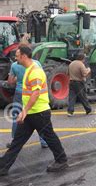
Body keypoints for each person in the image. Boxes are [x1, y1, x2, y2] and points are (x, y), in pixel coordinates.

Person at [0, 46, 68, 176]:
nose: (15, 58)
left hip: (39, 112)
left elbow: (35, 93)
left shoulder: (35, 71)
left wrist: (24, 111)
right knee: (18, 141)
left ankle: (62, 160)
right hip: (32, 112)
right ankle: (3, 166)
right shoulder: (29, 69)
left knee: (49, 137)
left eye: (17, 55)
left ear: (24, 56)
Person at [6, 50, 48, 149]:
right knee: (37, 117)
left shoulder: (14, 66)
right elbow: (42, 78)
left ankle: (14, 141)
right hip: (33, 93)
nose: (16, 58)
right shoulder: (36, 63)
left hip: (20, 93)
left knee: (17, 115)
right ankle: (43, 141)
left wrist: (18, 79)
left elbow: (10, 82)